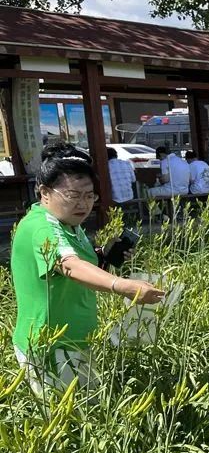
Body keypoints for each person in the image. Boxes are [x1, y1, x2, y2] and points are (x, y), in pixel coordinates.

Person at [11, 143, 164, 396]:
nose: (83, 204)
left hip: (77, 338)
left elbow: (78, 263)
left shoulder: (70, 223)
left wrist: (104, 255)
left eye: (89, 195)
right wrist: (123, 286)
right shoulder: (41, 226)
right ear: (44, 193)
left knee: (86, 411)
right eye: (72, 195)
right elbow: (70, 266)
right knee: (65, 422)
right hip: (50, 344)